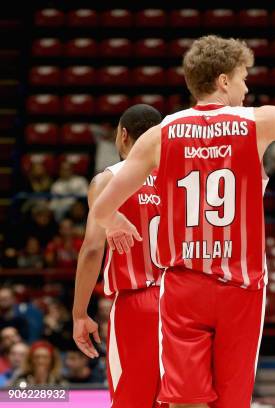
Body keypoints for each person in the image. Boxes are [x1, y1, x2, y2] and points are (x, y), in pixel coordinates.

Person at [91, 28, 275, 408]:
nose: (246, 89)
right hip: (241, 286)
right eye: (243, 79)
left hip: (183, 286)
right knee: (231, 401)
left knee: (184, 401)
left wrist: (112, 222)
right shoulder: (258, 122)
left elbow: (102, 205)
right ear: (223, 80)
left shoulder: (159, 134)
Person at [72, 104, 164, 407]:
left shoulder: (109, 180)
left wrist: (79, 314)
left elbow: (93, 249)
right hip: (185, 300)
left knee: (131, 400)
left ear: (123, 136)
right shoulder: (184, 178)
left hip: (138, 303)